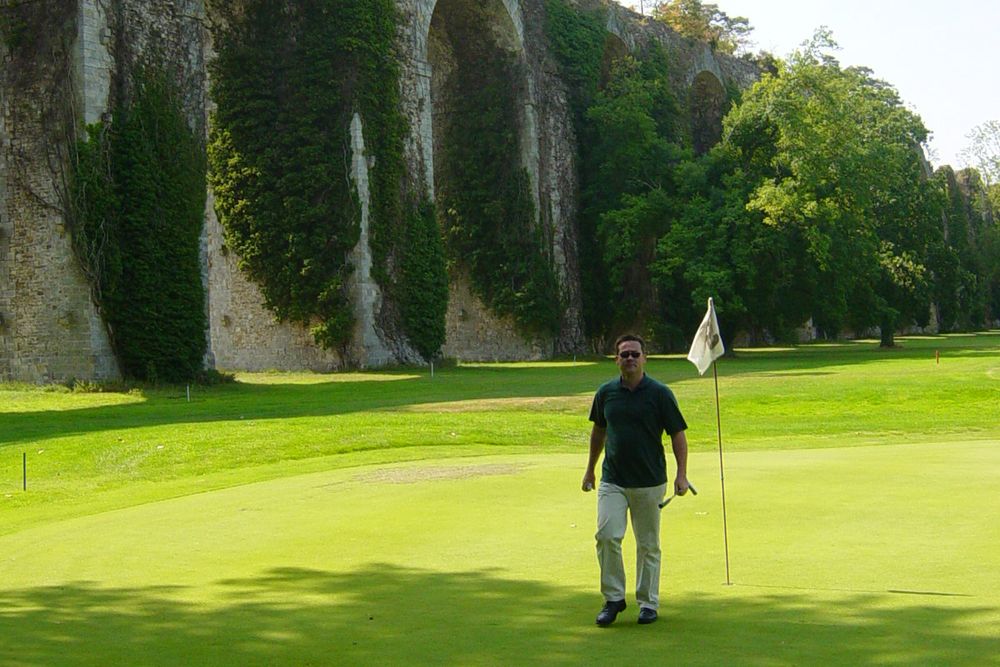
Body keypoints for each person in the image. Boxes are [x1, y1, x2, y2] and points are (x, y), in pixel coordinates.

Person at [582, 333, 690, 626]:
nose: (630, 359)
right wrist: (590, 468)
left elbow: (677, 434)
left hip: (650, 480)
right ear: (616, 359)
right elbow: (599, 432)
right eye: (624, 354)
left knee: (648, 544)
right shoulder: (606, 393)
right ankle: (614, 598)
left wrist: (681, 474)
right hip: (613, 479)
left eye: (635, 354)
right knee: (607, 536)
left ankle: (648, 602)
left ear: (644, 359)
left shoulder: (660, 394)